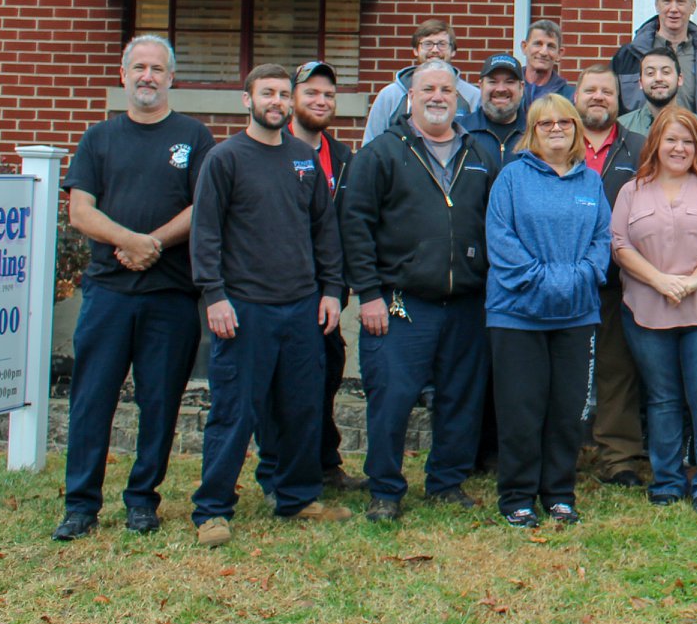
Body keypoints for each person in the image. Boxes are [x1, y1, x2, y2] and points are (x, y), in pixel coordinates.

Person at [53, 35, 215, 542]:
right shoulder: (98, 138)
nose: (147, 76)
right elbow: (81, 210)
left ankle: (142, 500)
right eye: (138, 68)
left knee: (160, 402)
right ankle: (81, 505)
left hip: (170, 295)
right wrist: (128, 241)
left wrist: (152, 243)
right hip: (108, 293)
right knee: (91, 400)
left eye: (157, 69)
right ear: (124, 75)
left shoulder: (194, 135)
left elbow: (202, 207)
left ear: (172, 78)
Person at [190, 64, 352, 547]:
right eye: (268, 93)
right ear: (248, 100)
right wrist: (214, 296)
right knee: (234, 412)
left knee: (301, 408)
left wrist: (330, 290)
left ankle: (297, 496)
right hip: (244, 309)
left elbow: (325, 230)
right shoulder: (225, 159)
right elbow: (206, 234)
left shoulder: (304, 159)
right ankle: (213, 509)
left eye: (284, 94)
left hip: (302, 308)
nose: (277, 102)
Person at [338, 60, 499, 522]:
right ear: (410, 97)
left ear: (459, 99)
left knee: (460, 398)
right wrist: (368, 294)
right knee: (392, 399)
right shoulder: (382, 155)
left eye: (446, 90)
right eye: (427, 89)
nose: (437, 97)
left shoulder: (478, 155)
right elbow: (356, 227)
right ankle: (386, 490)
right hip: (399, 303)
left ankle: (447, 482)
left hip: (467, 301)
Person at [484, 93, 612, 527]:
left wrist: (575, 279)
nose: (556, 129)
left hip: (576, 317)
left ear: (577, 129)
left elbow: (602, 241)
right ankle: (516, 496)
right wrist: (554, 280)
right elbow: (502, 244)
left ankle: (559, 493)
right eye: (545, 123)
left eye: (565, 122)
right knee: (522, 409)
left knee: (566, 410)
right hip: (517, 315)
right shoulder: (511, 179)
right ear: (532, 132)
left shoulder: (590, 182)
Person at [610, 106, 697, 513]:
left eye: (688, 141)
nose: (679, 147)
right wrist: (661, 280)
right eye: (671, 139)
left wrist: (692, 281)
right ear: (656, 143)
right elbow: (619, 245)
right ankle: (667, 480)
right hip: (647, 308)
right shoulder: (633, 190)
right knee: (663, 398)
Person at [272, 59, 365, 495]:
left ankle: (325, 465)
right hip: (276, 292)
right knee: (281, 388)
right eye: (311, 93)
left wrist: (339, 286)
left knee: (326, 376)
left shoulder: (344, 159)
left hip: (327, 293)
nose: (321, 101)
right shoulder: (269, 148)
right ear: (292, 99)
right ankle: (279, 472)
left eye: (329, 95)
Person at [574, 63, 648, 487]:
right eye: (590, 91)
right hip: (565, 282)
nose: (598, 97)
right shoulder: (556, 142)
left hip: (620, 282)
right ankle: (560, 451)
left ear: (619, 101)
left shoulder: (637, 148)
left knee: (617, 371)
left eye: (606, 91)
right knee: (563, 371)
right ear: (576, 97)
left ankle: (618, 458)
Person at [362, 20, 481, 141]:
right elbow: (371, 146)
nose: (435, 50)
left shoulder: (473, 96)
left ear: (453, 50)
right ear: (415, 50)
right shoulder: (390, 95)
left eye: (442, 44)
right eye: (427, 44)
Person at [459, 53, 529, 156]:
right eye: (493, 81)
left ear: (521, 88)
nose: (501, 89)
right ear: (481, 86)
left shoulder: (535, 133)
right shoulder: (460, 131)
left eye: (509, 82)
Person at [619, 45, 682, 135]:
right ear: (640, 82)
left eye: (666, 72)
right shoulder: (622, 127)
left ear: (679, 79)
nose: (658, 78)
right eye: (650, 73)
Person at [521, 19, 573, 105]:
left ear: (559, 53)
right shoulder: (508, 91)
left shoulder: (569, 97)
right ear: (524, 47)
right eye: (538, 44)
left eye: (551, 46)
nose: (543, 52)